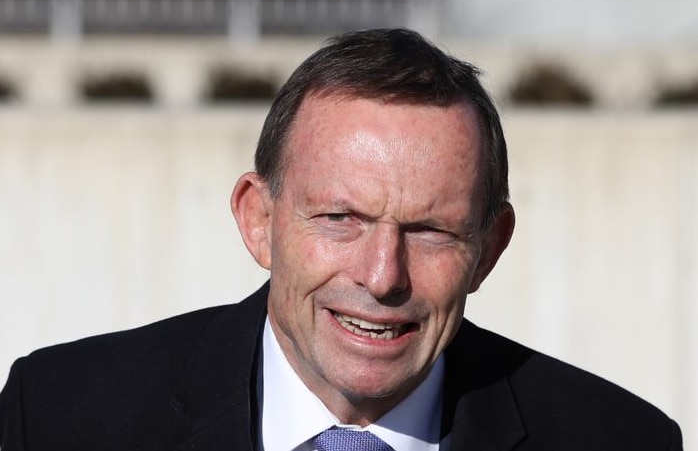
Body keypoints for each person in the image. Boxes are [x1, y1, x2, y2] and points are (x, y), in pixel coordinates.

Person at [0, 28, 682, 451]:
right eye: (340, 218)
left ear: (491, 247)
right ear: (258, 219)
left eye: (430, 229)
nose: (383, 274)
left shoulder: (617, 437)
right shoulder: (62, 415)